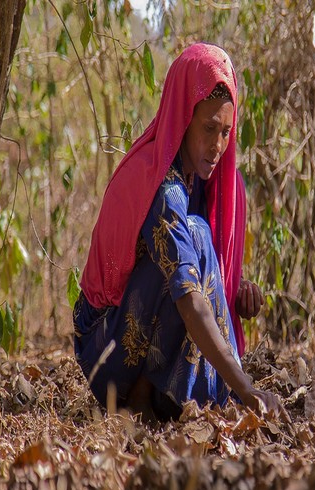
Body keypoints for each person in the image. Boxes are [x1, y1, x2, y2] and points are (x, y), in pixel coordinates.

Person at [73, 43, 285, 422]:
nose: (218, 146)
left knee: (195, 238)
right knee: (192, 240)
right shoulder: (161, 185)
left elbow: (198, 270)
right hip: (104, 347)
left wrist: (231, 285)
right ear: (183, 118)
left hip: (133, 330)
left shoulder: (203, 180)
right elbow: (189, 300)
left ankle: (163, 395)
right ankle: (139, 399)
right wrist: (246, 387)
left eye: (225, 132)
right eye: (208, 129)